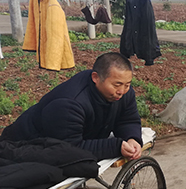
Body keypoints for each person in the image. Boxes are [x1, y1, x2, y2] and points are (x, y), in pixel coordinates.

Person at [1, 52, 143, 161]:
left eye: (127, 84)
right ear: (95, 78)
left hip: (63, 144)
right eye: (117, 85)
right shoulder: (69, 104)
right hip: (21, 148)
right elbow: (69, 149)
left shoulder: (124, 93)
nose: (122, 91)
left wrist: (132, 138)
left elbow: (128, 120)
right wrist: (115, 147)